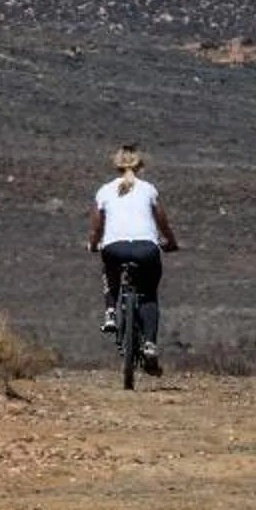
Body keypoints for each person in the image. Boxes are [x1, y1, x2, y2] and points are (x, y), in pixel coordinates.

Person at [88, 143, 181, 372]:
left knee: (109, 269)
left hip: (114, 248)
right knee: (148, 295)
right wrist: (171, 242)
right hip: (146, 249)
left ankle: (111, 312)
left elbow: (96, 227)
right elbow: (163, 223)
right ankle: (149, 344)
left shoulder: (104, 190)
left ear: (116, 165)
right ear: (140, 166)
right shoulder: (148, 189)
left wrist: (93, 244)